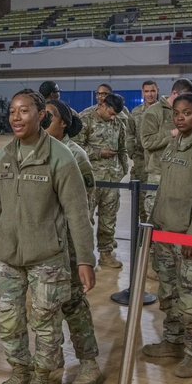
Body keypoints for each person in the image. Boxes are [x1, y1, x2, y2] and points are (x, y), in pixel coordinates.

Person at [0, 89, 96, 384]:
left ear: (41, 115)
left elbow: (78, 212)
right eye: (12, 111)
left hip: (47, 256)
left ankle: (42, 378)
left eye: (24, 111)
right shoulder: (3, 154)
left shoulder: (61, 156)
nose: (16, 117)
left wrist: (85, 258)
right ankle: (19, 372)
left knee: (45, 322)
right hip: (8, 254)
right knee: (8, 320)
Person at [142, 93, 192, 378]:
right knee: (169, 293)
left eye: (187, 113)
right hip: (165, 234)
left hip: (189, 238)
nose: (180, 117)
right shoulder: (174, 143)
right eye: (177, 113)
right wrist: (154, 224)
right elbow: (164, 188)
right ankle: (173, 342)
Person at [43, 98, 105, 384]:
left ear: (64, 122)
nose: (43, 121)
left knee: (73, 302)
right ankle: (50, 359)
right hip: (40, 242)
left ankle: (89, 362)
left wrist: (82, 253)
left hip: (66, 241)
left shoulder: (74, 154)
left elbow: (84, 207)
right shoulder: (34, 149)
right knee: (43, 304)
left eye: (50, 117)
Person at [75, 92, 128, 268]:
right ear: (103, 106)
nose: (113, 117)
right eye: (110, 113)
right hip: (91, 180)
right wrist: (98, 153)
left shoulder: (119, 120)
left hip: (112, 179)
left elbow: (122, 147)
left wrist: (123, 169)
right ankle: (85, 257)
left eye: (115, 115)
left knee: (109, 219)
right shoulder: (85, 118)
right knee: (86, 219)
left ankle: (106, 254)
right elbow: (76, 149)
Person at [140, 78, 192, 225]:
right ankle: (150, 248)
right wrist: (171, 133)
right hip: (158, 173)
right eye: (184, 98)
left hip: (182, 174)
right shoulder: (154, 112)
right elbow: (147, 141)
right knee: (154, 217)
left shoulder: (186, 112)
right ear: (174, 93)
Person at [128, 80, 158, 222]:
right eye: (147, 91)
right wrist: (132, 153)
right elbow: (130, 134)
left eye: (152, 91)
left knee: (157, 200)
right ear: (142, 92)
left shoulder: (163, 110)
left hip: (157, 160)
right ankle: (142, 236)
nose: (150, 94)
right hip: (141, 160)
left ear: (157, 91)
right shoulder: (136, 112)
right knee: (140, 201)